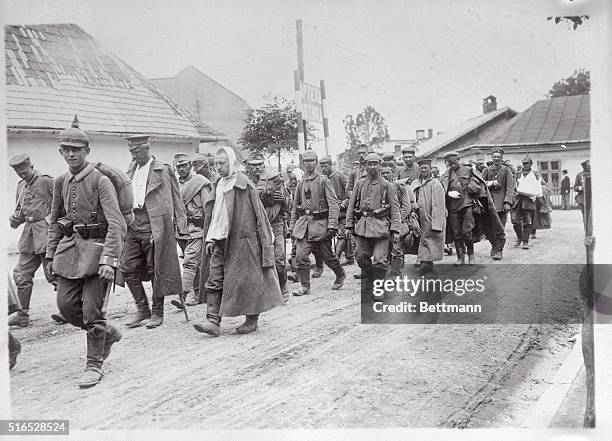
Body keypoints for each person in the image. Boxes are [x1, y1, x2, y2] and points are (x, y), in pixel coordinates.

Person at [46, 118, 126, 387]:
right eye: (66, 149)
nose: (71, 154)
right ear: (60, 152)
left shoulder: (100, 181)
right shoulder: (60, 181)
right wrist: (48, 256)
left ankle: (94, 364)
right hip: (69, 254)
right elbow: (56, 220)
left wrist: (110, 260)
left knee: (93, 311)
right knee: (66, 307)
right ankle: (108, 332)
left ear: (87, 151)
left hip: (98, 254)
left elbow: (117, 223)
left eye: (76, 150)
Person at [193, 147, 283, 336]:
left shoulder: (244, 184)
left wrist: (264, 241)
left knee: (248, 281)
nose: (218, 167)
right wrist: (210, 237)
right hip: (219, 240)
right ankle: (213, 321)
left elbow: (260, 215)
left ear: (232, 163)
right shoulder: (217, 185)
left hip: (243, 241)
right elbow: (215, 215)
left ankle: (251, 320)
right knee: (214, 279)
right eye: (216, 164)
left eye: (222, 163)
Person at [121, 135, 188, 329]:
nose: (134, 155)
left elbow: (176, 198)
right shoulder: (131, 170)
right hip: (133, 224)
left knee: (156, 270)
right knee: (126, 267)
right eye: (131, 152)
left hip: (155, 224)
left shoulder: (163, 169)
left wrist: (180, 226)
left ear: (147, 148)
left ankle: (158, 312)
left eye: (137, 151)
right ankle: (143, 309)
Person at [8, 154, 63, 327]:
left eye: (25, 171)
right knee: (21, 273)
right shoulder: (21, 187)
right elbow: (22, 213)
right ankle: (22, 314)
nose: (23, 175)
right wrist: (16, 219)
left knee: (54, 273)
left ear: (32, 166)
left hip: (47, 235)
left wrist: (50, 223)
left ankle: (68, 311)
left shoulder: (47, 182)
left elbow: (62, 205)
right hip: (29, 238)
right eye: (19, 173)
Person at [290, 150, 346, 296]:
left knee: (328, 257)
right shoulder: (301, 183)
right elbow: (295, 207)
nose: (309, 164)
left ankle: (340, 274)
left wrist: (332, 225)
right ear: (302, 163)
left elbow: (334, 204)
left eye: (311, 161)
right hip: (304, 225)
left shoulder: (323, 181)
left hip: (320, 224)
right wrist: (291, 226)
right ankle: (305, 286)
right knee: (301, 257)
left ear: (316, 162)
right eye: (306, 161)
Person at [346, 153, 401, 295]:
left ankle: (379, 288)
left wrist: (396, 229)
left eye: (375, 164)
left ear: (379, 165)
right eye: (369, 164)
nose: (372, 167)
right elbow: (351, 206)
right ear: (365, 166)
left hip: (381, 227)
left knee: (379, 260)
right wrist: (348, 225)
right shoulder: (359, 184)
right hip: (363, 227)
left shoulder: (386, 185)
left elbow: (395, 208)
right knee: (360, 257)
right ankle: (372, 278)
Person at [171, 153, 212, 309]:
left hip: (198, 229)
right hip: (181, 230)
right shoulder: (175, 184)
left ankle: (182, 295)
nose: (181, 169)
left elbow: (208, 208)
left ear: (191, 166)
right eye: (179, 166)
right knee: (194, 264)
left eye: (184, 165)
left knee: (190, 261)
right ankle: (199, 293)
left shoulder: (200, 183)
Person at [440, 151, 483, 265]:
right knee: (456, 233)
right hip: (453, 207)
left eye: (454, 161)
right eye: (449, 162)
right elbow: (442, 189)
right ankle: (460, 257)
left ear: (458, 159)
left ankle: (471, 255)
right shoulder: (445, 175)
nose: (452, 164)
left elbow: (478, 185)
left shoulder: (468, 170)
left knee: (467, 232)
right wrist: (449, 193)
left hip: (467, 205)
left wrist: (471, 186)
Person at [257, 168, 292, 302]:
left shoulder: (277, 181)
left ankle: (283, 287)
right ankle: (268, 289)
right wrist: (265, 198)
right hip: (260, 224)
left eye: (259, 164)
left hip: (277, 224)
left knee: (279, 257)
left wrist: (283, 200)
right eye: (252, 165)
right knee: (262, 258)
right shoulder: (251, 182)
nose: (255, 167)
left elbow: (289, 205)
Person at [410, 159, 447, 275]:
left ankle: (426, 263)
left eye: (426, 168)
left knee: (431, 238)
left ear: (430, 169)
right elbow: (411, 197)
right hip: (418, 215)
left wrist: (436, 222)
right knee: (421, 238)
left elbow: (439, 204)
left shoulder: (435, 184)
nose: (424, 170)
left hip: (430, 216)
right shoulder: (415, 183)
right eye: (422, 168)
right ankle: (424, 262)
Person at [381, 162, 415, 276]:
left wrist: (397, 221)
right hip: (384, 222)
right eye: (383, 173)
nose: (385, 175)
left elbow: (406, 206)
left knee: (397, 247)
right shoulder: (380, 188)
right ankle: (389, 269)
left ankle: (396, 272)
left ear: (392, 173)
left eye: (388, 172)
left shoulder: (400, 187)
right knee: (386, 248)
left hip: (399, 222)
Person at [481, 147, 515, 259]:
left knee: (500, 227)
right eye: (494, 157)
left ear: (502, 158)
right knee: (488, 228)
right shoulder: (486, 170)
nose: (496, 159)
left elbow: (510, 187)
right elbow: (480, 184)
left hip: (501, 204)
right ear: (492, 157)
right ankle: (494, 246)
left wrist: (507, 202)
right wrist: (489, 183)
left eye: (498, 157)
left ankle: (499, 251)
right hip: (488, 203)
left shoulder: (506, 170)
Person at [320, 156, 353, 266]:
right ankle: (349, 257)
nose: (323, 169)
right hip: (331, 212)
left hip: (343, 212)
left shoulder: (340, 177)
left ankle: (336, 258)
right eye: (321, 167)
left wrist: (344, 203)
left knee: (343, 234)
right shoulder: (323, 179)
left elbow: (351, 194)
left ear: (330, 165)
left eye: (325, 167)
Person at [511, 156, 542, 250]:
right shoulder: (518, 174)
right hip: (518, 200)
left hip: (528, 201)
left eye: (527, 163)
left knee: (527, 222)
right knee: (515, 221)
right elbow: (513, 187)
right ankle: (519, 237)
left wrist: (543, 204)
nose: (525, 165)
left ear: (531, 164)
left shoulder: (535, 175)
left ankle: (525, 241)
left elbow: (538, 189)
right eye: (524, 163)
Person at [574, 160, 590, 224]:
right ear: (584, 167)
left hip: (593, 199)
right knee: (585, 216)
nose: (589, 167)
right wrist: (581, 188)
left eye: (590, 165)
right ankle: (587, 231)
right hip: (583, 199)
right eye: (588, 166)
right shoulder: (579, 175)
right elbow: (575, 187)